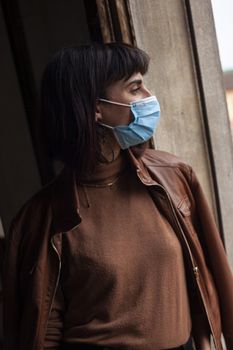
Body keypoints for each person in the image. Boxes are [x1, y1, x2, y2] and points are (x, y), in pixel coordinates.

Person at [3, 43, 233, 350]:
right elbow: (44, 332)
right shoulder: (40, 219)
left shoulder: (174, 176)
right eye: (135, 88)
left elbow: (206, 277)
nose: (150, 98)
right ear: (95, 107)